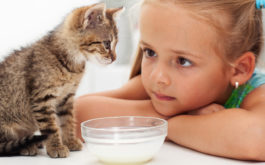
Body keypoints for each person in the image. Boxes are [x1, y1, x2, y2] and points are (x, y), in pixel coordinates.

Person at [74, 0, 265, 161]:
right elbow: (76, 114)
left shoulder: (257, 91)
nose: (158, 76)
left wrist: (170, 125)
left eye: (183, 61)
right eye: (150, 52)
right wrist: (183, 118)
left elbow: (258, 138)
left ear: (239, 70)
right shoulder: (160, 85)